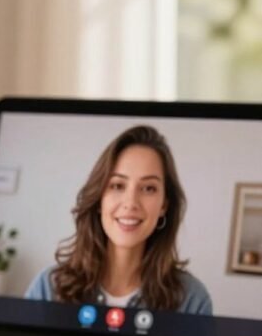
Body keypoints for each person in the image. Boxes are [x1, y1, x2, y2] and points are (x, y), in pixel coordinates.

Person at [25, 124, 213, 314]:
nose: (131, 203)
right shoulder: (47, 288)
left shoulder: (192, 300)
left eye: (148, 188)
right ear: (99, 199)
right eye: (117, 185)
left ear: (164, 205)